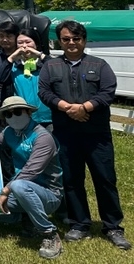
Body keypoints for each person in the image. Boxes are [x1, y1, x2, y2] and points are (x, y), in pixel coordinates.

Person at [38, 20, 130, 250]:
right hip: (66, 134)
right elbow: (44, 92)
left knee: (105, 179)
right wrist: (67, 107)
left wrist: (85, 107)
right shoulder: (51, 67)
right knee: (72, 180)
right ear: (60, 41)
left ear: (84, 40)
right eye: (66, 39)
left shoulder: (99, 65)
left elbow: (108, 91)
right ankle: (79, 224)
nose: (71, 43)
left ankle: (113, 227)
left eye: (76, 39)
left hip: (96, 134)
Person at [0, 96, 64, 260]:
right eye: (8, 115)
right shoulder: (8, 132)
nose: (13, 117)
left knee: (19, 185)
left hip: (49, 195)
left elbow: (31, 171)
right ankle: (23, 217)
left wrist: (5, 191)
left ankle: (49, 234)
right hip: (19, 193)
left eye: (17, 112)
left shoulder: (43, 137)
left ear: (28, 112)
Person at [7, 28, 51, 129]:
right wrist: (12, 56)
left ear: (36, 43)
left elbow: (58, 68)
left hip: (48, 117)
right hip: (23, 117)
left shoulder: (46, 64)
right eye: (20, 43)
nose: (24, 46)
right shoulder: (14, 66)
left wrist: (39, 54)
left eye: (28, 42)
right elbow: (0, 75)